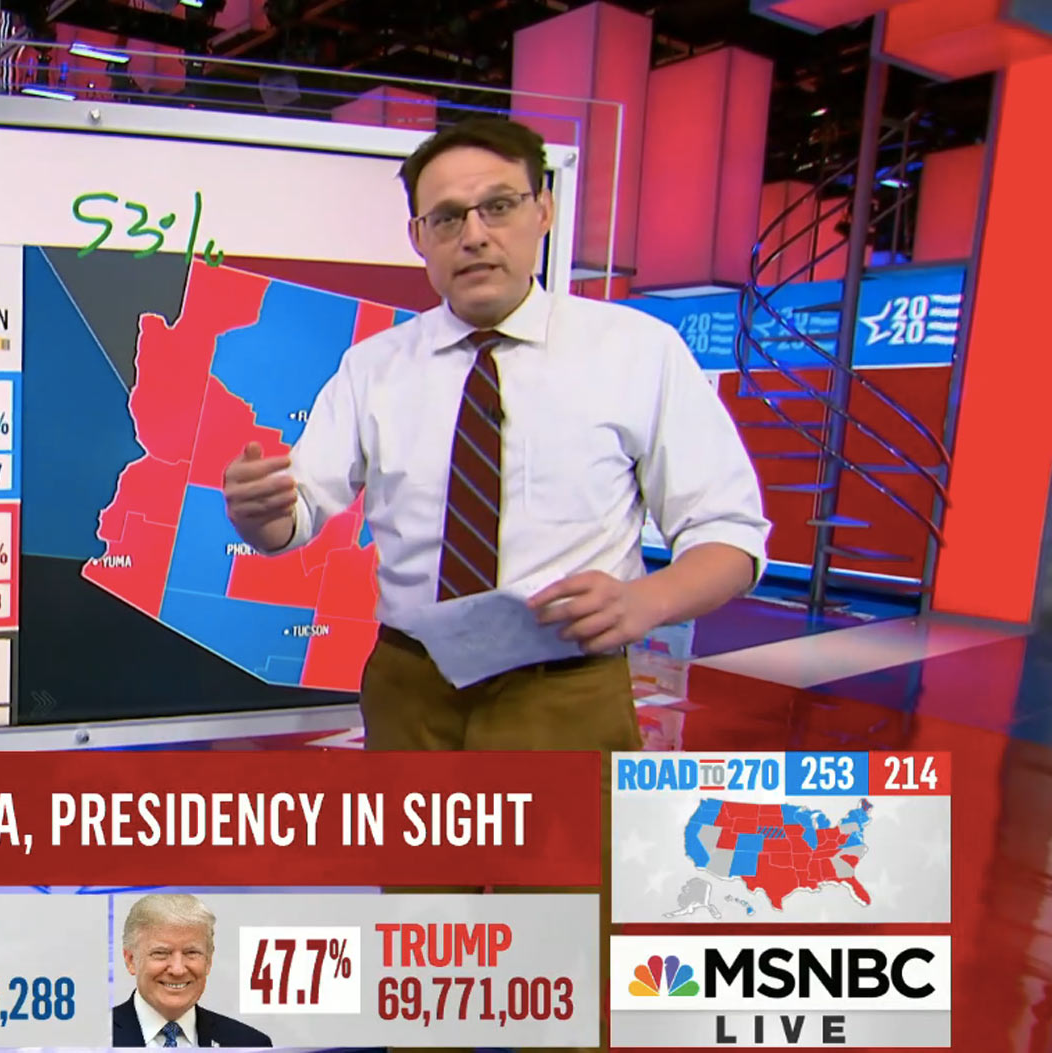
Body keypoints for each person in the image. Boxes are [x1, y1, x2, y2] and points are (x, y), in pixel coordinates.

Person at [221, 116, 769, 754]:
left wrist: (648, 600)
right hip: (410, 692)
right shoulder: (374, 366)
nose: (475, 236)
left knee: (558, 858)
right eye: (448, 218)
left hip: (567, 694)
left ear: (544, 211)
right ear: (419, 238)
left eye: (499, 207)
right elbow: (298, 513)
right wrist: (259, 516)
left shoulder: (639, 351)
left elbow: (730, 534)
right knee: (409, 854)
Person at [112, 894, 270, 1048]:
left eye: (191, 953)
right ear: (130, 960)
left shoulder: (249, 1043)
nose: (178, 969)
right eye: (161, 953)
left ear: (208, 960)